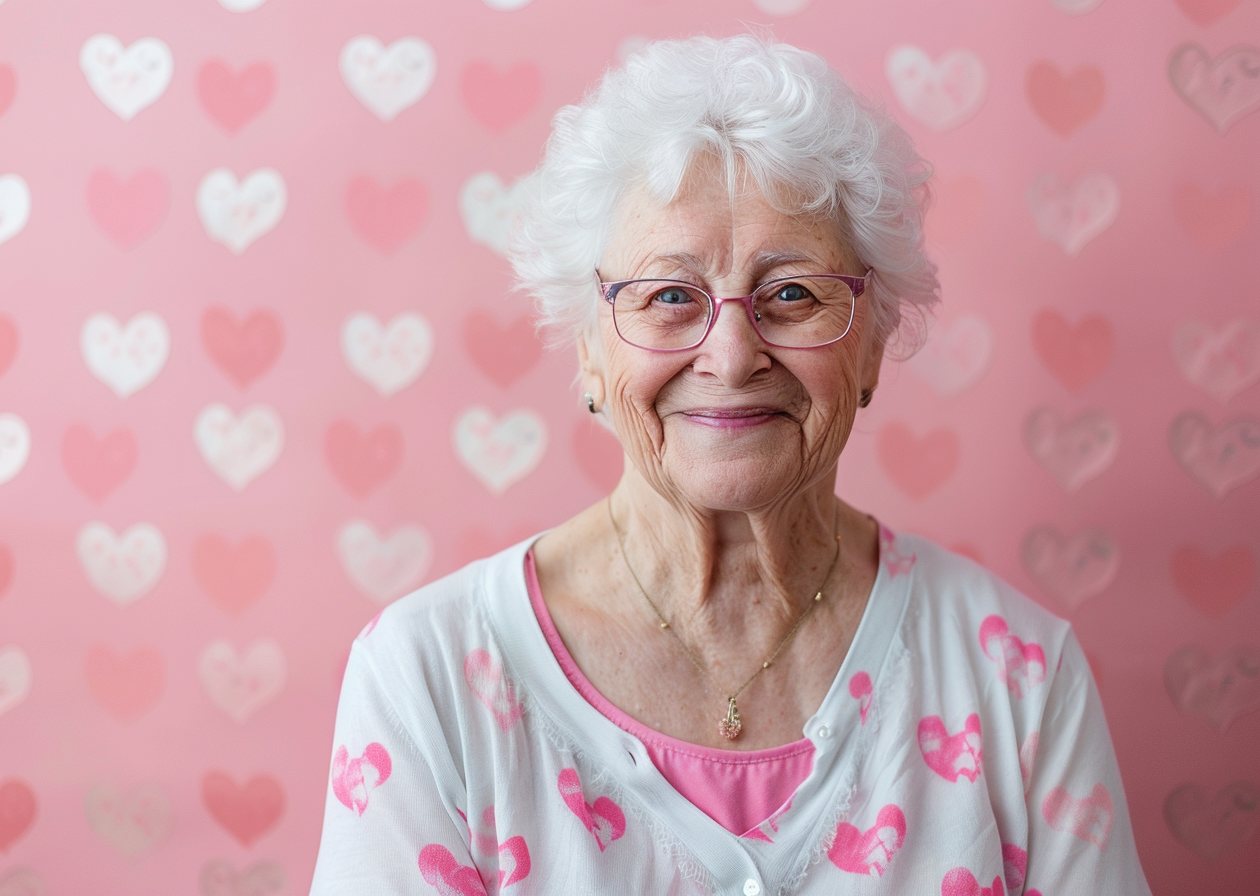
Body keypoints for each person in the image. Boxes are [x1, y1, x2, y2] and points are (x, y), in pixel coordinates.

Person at [309, 35, 1152, 896]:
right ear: (590, 354)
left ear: (870, 347)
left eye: (792, 293)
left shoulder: (1017, 678)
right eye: (670, 296)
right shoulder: (427, 677)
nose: (732, 353)